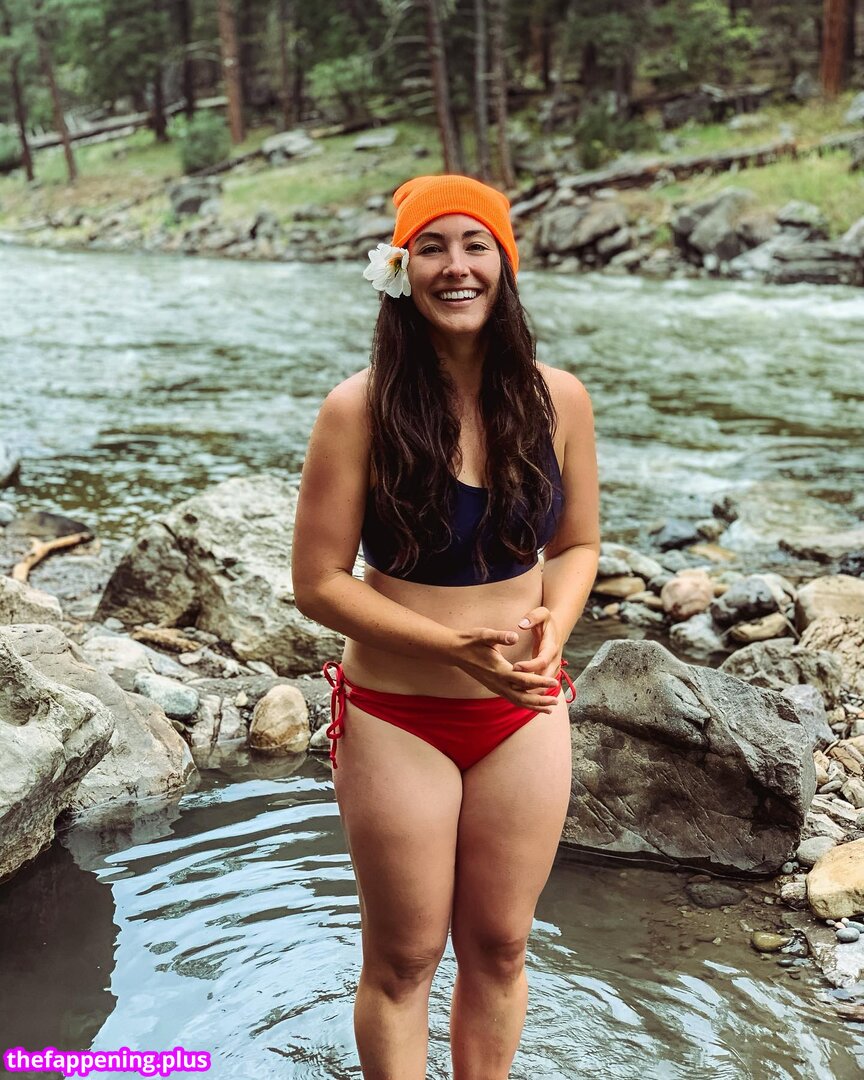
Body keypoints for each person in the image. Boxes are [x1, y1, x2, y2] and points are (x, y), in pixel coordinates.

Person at [292, 174, 600, 1080]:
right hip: (398, 717)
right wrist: (451, 650)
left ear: (506, 265)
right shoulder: (357, 410)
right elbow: (316, 582)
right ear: (401, 270)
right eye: (431, 247)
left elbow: (578, 544)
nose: (455, 266)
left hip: (525, 711)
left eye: (476, 245)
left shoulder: (560, 400)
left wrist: (555, 627)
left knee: (502, 945)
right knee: (404, 958)